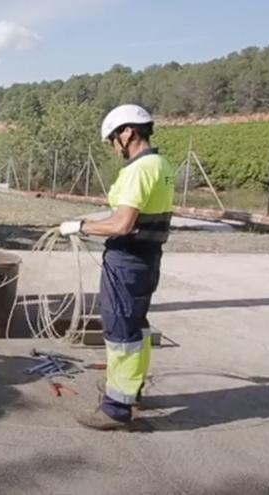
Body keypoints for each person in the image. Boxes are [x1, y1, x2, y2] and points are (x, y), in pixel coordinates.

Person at [58, 104, 174, 430]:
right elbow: (135, 215)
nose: (113, 146)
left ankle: (116, 408)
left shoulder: (139, 169)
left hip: (127, 259)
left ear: (128, 132)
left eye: (113, 139)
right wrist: (92, 220)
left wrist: (80, 226)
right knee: (137, 327)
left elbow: (123, 224)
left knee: (121, 331)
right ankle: (131, 389)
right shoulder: (161, 164)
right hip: (148, 257)